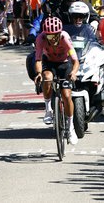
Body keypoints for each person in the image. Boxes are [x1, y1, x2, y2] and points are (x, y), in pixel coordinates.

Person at [33, 17, 80, 145]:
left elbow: (75, 61)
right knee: (47, 78)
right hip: (49, 63)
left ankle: (71, 128)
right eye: (49, 36)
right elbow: (38, 59)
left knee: (66, 95)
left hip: (65, 64)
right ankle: (48, 109)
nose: (52, 39)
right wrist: (38, 73)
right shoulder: (41, 38)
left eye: (55, 36)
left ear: (59, 33)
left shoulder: (65, 38)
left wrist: (73, 72)